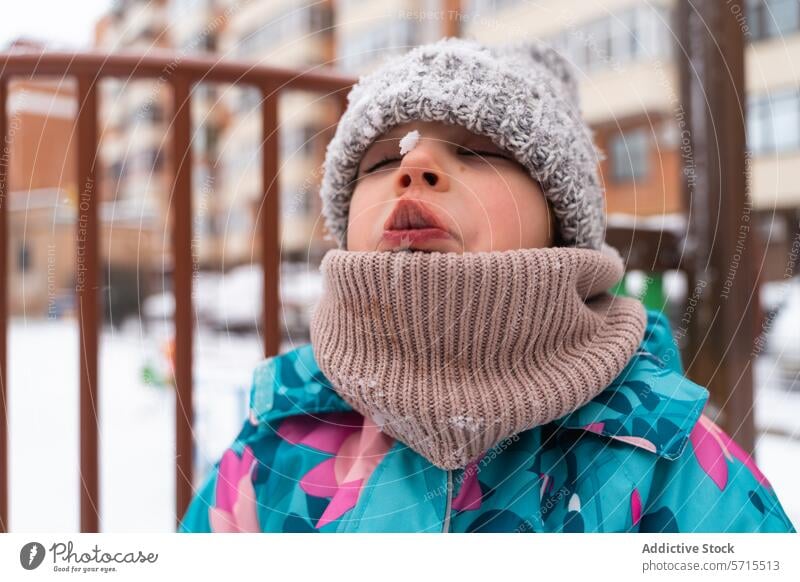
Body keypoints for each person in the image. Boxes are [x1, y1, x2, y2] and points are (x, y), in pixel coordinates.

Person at [178, 37, 795, 533]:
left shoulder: (663, 456)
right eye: (383, 161)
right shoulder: (280, 434)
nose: (415, 167)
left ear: (559, 223)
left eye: (477, 152)